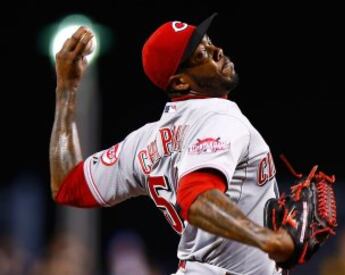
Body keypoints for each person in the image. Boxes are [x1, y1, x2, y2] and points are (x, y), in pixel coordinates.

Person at [49, 13, 294, 275]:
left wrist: (66, 89)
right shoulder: (219, 116)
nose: (217, 51)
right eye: (201, 55)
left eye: (209, 43)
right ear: (179, 82)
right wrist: (268, 239)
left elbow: (67, 184)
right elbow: (196, 196)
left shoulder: (145, 141)